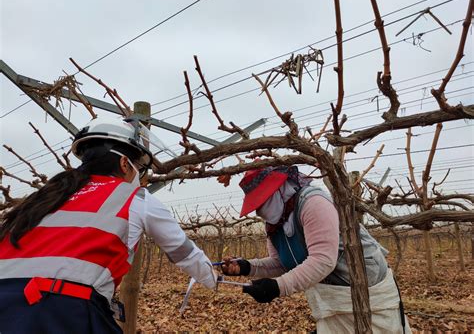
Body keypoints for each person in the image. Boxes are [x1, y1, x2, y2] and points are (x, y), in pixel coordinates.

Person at [0, 117, 216, 333]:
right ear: (124, 163)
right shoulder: (134, 197)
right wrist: (214, 278)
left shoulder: (44, 198)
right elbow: (183, 252)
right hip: (63, 313)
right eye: (138, 168)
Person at [222, 165, 411, 333]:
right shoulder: (274, 224)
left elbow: (323, 260)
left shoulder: (313, 203)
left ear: (279, 189)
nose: (259, 210)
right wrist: (246, 267)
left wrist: (277, 287)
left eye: (262, 202)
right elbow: (282, 263)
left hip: (366, 287)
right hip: (331, 295)